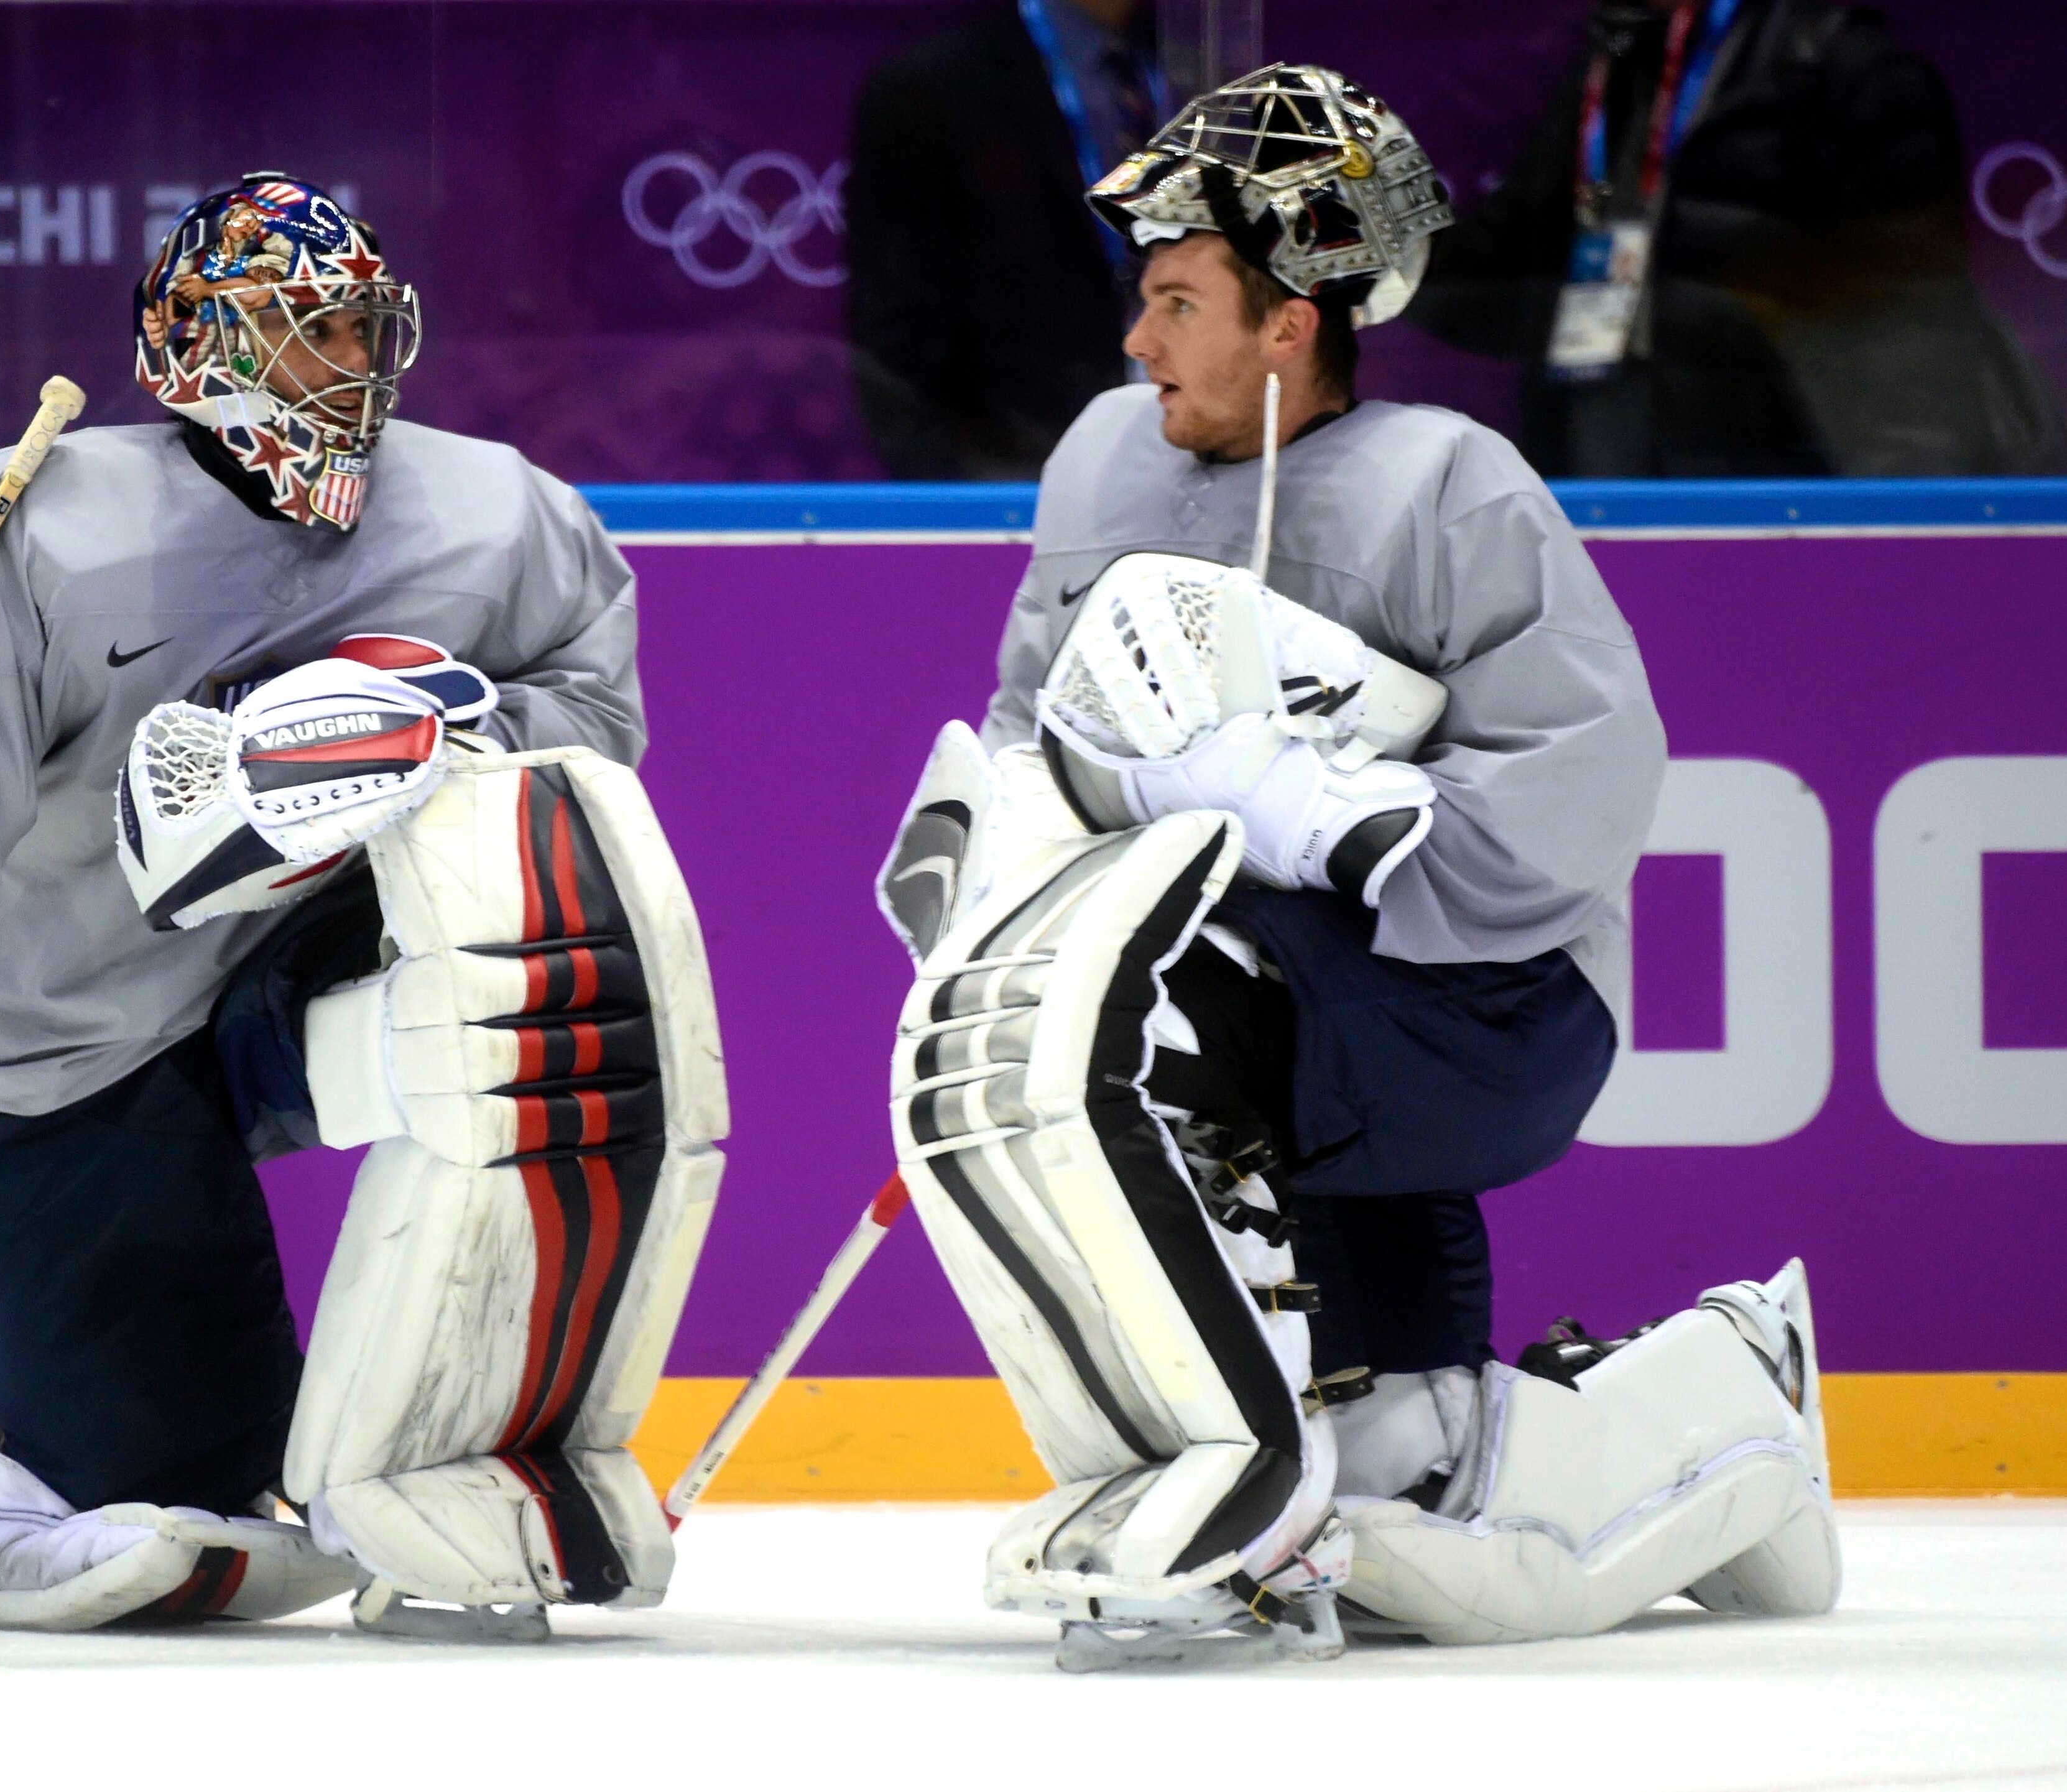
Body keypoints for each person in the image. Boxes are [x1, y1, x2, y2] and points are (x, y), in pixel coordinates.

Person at [0, 173, 725, 1634]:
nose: (351, 370)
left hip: (313, 961)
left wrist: (431, 728)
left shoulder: (500, 516)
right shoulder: (36, 529)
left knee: (539, 968)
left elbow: (585, 709)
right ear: (200, 349)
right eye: (307, 332)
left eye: (365, 328)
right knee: (178, 1467)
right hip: (77, 1026)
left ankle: (467, 1436)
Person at [879, 65, 1839, 1665]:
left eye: (1178, 301)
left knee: (1170, 1011)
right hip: (1258, 982)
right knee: (1413, 1486)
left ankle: (1280, 1479)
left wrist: (1310, 808)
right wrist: (990, 850)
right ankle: (1658, 1405)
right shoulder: (1101, 463)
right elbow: (1026, 718)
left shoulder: (1448, 486)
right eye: (1141, 297)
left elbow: (1581, 789)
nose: (1136, 339)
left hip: (1490, 1007)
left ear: (1292, 320)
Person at [1407, 0, 2063, 477]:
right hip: (1607, 468)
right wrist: (1373, 258)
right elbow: (1496, 265)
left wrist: (1896, 535)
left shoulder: (1847, 71)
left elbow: (1910, 344)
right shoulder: (1615, 64)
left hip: (1780, 492)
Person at [846, 0, 1166, 479]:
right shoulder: (933, 88)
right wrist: (961, 500)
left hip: (1207, 463)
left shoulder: (1213, 62)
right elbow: (897, 330)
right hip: (1017, 474)